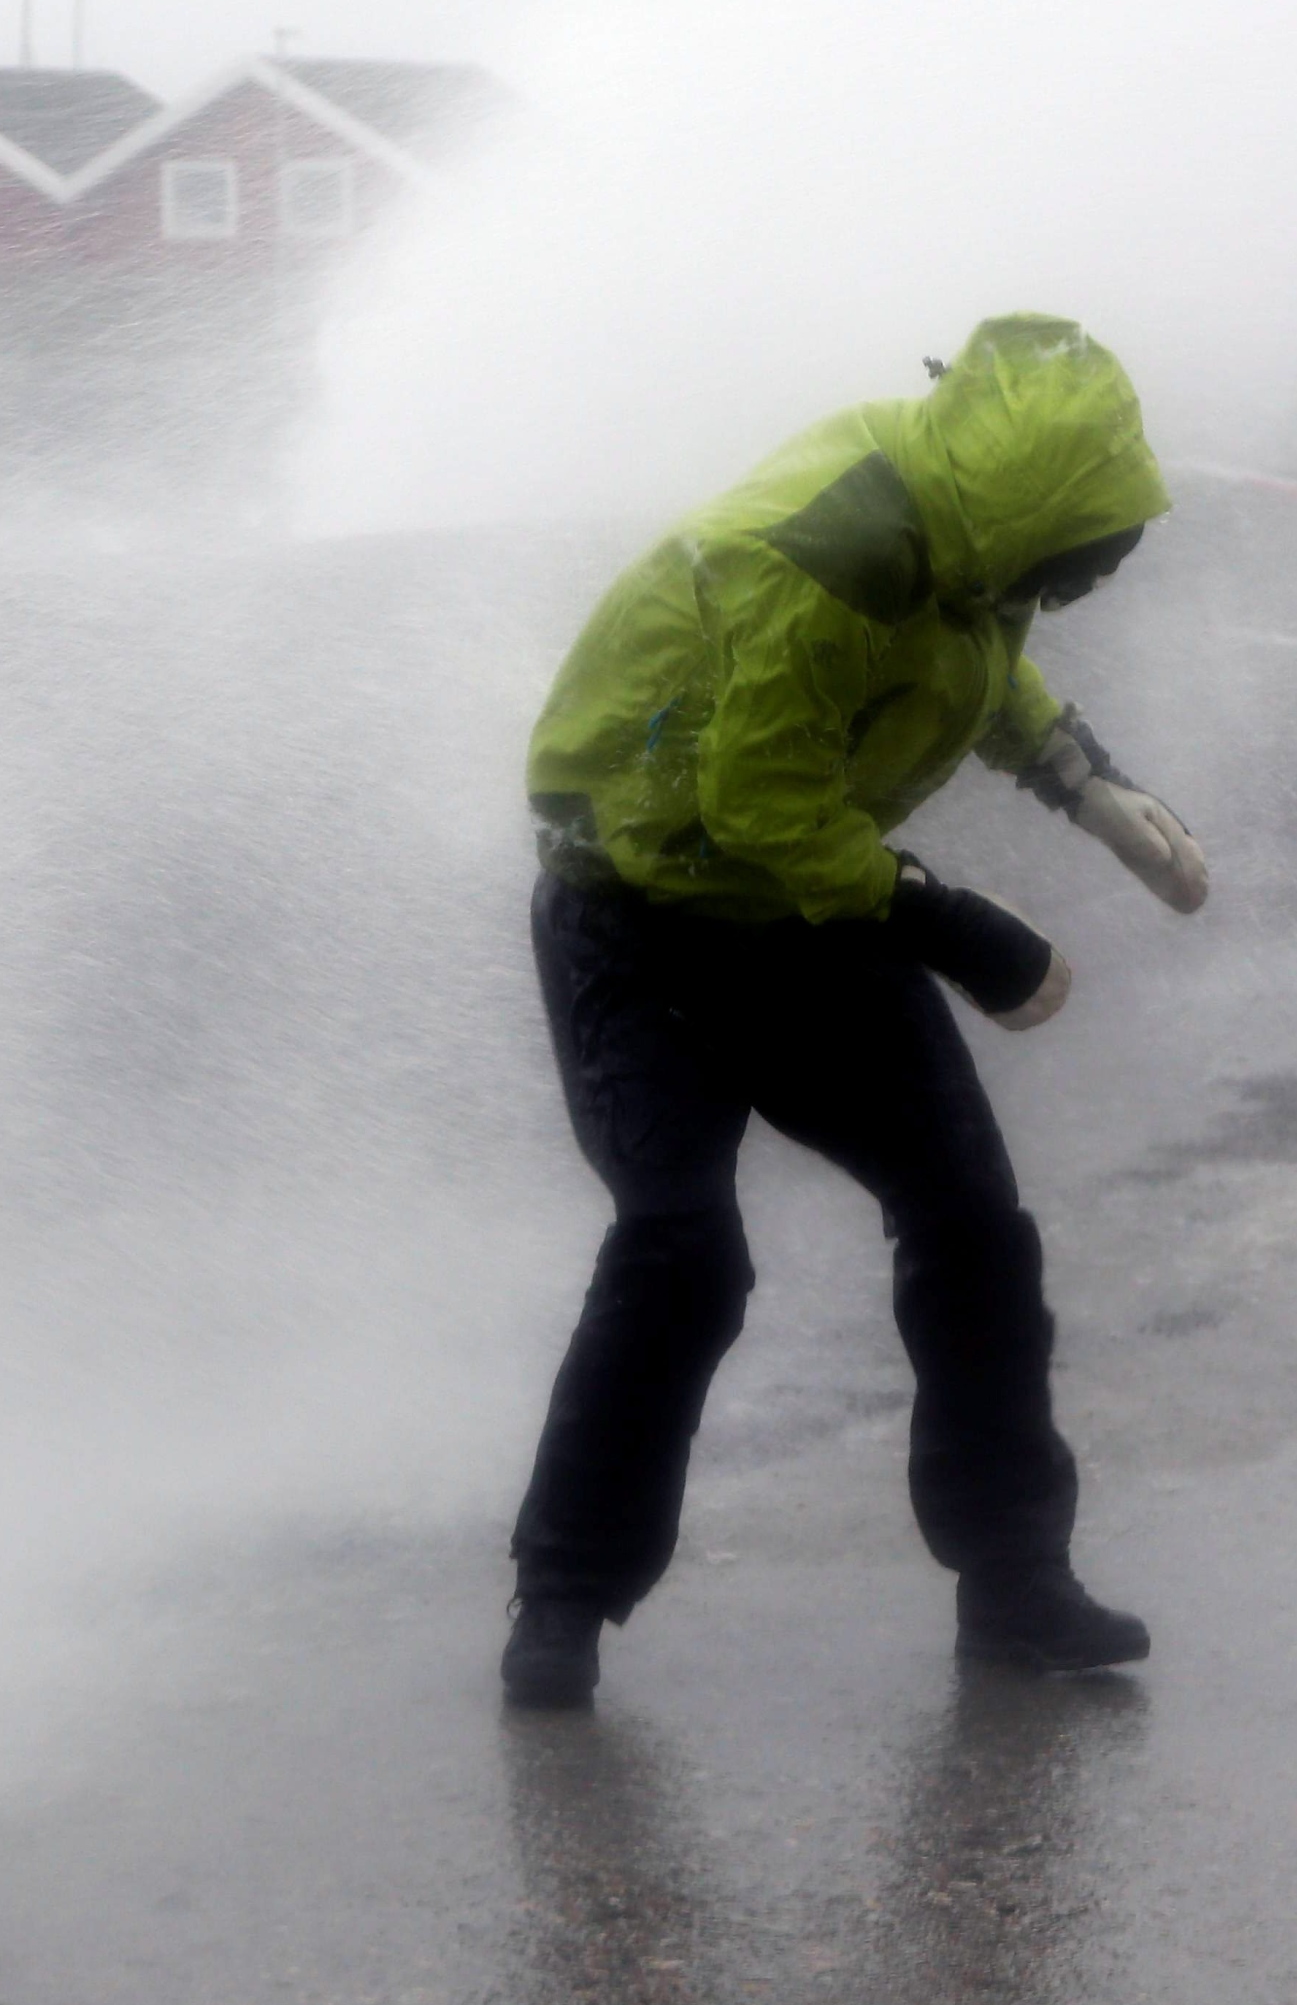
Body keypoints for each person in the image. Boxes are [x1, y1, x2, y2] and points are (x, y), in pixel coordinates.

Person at [501, 314, 1208, 1712]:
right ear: (1027, 514)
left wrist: (1087, 784)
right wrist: (960, 928)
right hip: (641, 918)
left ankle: (1016, 1586)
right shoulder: (817, 563)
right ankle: (564, 1599)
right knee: (681, 1251)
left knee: (972, 1231)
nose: (1090, 580)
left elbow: (972, 664)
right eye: (1085, 553)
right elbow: (753, 804)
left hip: (805, 914)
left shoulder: (966, 529)